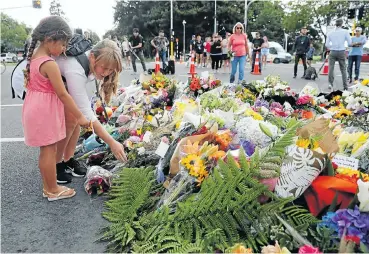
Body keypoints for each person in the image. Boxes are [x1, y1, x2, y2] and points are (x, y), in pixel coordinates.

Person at [22, 16, 90, 201]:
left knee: (46, 150)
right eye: (62, 44)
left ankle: (49, 187)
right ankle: (52, 190)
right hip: (44, 111)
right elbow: (63, 94)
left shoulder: (35, 57)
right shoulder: (49, 64)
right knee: (49, 151)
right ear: (49, 40)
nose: (64, 49)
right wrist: (81, 117)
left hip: (35, 108)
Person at [55, 39, 127, 184]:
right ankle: (56, 164)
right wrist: (112, 143)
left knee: (75, 119)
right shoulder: (75, 69)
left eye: (110, 70)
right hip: (46, 88)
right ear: (92, 57)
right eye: (104, 68)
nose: (106, 73)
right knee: (72, 119)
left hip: (63, 85)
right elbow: (87, 114)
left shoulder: (91, 60)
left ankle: (68, 159)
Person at [325, 18, 352, 90]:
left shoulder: (330, 33)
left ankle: (330, 84)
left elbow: (327, 44)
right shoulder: (345, 32)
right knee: (343, 69)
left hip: (333, 51)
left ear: (335, 24)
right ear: (341, 24)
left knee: (331, 68)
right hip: (341, 51)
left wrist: (332, 46)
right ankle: (345, 86)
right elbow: (349, 43)